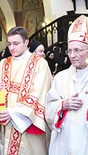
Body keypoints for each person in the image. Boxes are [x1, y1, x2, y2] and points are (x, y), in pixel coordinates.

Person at [0, 26, 52, 155]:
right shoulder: (4, 63)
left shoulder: (39, 64)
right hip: (7, 125)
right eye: (9, 44)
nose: (12, 48)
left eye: (16, 43)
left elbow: (38, 94)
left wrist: (13, 113)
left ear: (26, 42)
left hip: (27, 126)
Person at [45, 15, 88, 155]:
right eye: (69, 51)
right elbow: (49, 110)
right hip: (64, 142)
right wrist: (63, 105)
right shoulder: (60, 78)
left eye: (77, 50)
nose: (72, 55)